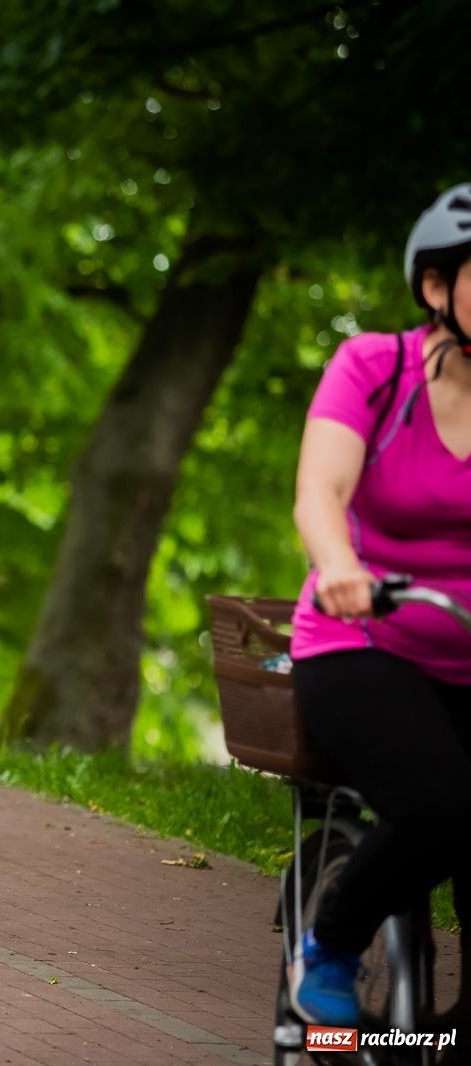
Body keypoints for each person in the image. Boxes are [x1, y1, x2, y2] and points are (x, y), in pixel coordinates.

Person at [287, 183, 471, 1028]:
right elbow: (320, 492)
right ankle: (330, 942)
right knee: (441, 808)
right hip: (362, 643)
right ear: (435, 286)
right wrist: (339, 565)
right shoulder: (374, 367)